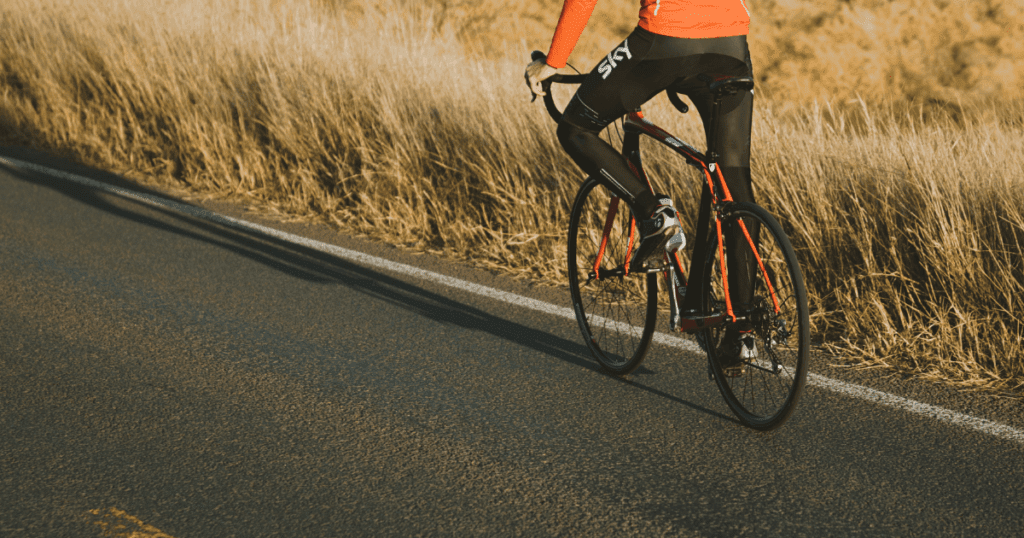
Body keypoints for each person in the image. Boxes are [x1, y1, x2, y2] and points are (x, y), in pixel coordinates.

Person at [525, 0, 757, 375]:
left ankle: (654, 215)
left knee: (575, 128)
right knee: (730, 177)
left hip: (664, 39)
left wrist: (554, 60)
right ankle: (742, 327)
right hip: (731, 42)